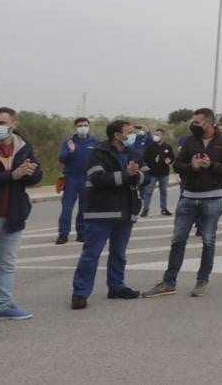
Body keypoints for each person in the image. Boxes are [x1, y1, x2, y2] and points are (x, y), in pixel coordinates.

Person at [143, 108, 222, 299]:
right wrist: (191, 166)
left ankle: (202, 280)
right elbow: (177, 165)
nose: (193, 125)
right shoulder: (190, 141)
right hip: (188, 196)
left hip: (213, 197)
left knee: (208, 240)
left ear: (209, 123)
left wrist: (212, 166)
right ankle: (169, 282)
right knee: (178, 240)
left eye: (197, 122)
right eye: (193, 122)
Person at [70, 120, 144, 309]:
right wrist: (127, 175)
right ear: (117, 135)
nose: (132, 135)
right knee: (91, 254)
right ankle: (80, 292)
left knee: (119, 253)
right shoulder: (97, 153)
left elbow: (146, 175)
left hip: (126, 211)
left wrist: (136, 176)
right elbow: (98, 178)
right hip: (101, 212)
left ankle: (117, 287)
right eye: (129, 132)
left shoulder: (134, 153)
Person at [0, 107, 42, 320]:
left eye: (1, 123)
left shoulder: (23, 146)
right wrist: (11, 175)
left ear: (14, 125)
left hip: (12, 215)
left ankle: (3, 307)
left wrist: (30, 172)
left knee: (7, 265)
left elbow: (35, 176)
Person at [57, 117, 96, 244]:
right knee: (67, 208)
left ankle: (82, 233)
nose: (83, 127)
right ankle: (63, 234)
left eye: (85, 125)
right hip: (71, 178)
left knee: (84, 208)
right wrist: (71, 151)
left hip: (88, 178)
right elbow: (62, 159)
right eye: (80, 125)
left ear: (89, 126)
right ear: (75, 127)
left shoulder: (95, 142)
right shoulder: (69, 142)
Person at [140, 129, 174, 217]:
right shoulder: (150, 147)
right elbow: (145, 158)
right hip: (152, 173)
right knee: (148, 192)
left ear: (163, 136)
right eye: (155, 134)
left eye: (158, 134)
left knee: (163, 192)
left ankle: (164, 209)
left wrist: (169, 161)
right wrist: (153, 160)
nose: (156, 136)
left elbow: (172, 157)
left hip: (164, 173)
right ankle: (145, 209)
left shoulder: (168, 147)